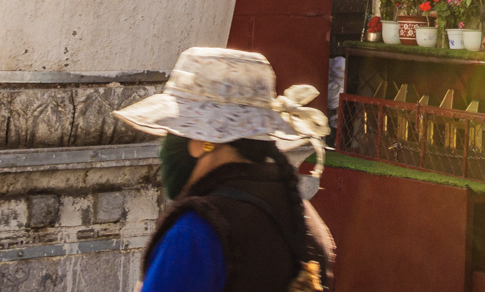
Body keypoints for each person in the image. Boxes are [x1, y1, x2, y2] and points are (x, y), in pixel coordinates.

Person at [115, 47, 333, 292]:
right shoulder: (303, 219)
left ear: (202, 142)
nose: (164, 151)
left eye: (171, 133)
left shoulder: (195, 233)